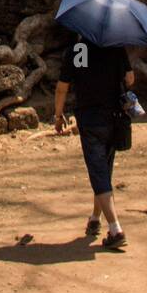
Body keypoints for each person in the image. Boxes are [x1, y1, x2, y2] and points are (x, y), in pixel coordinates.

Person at [54, 32, 135, 249]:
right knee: (103, 170)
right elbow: (130, 79)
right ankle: (94, 218)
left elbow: (63, 86)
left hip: (89, 119)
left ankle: (116, 229)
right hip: (113, 117)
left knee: (98, 171)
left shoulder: (77, 50)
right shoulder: (115, 46)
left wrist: (58, 114)